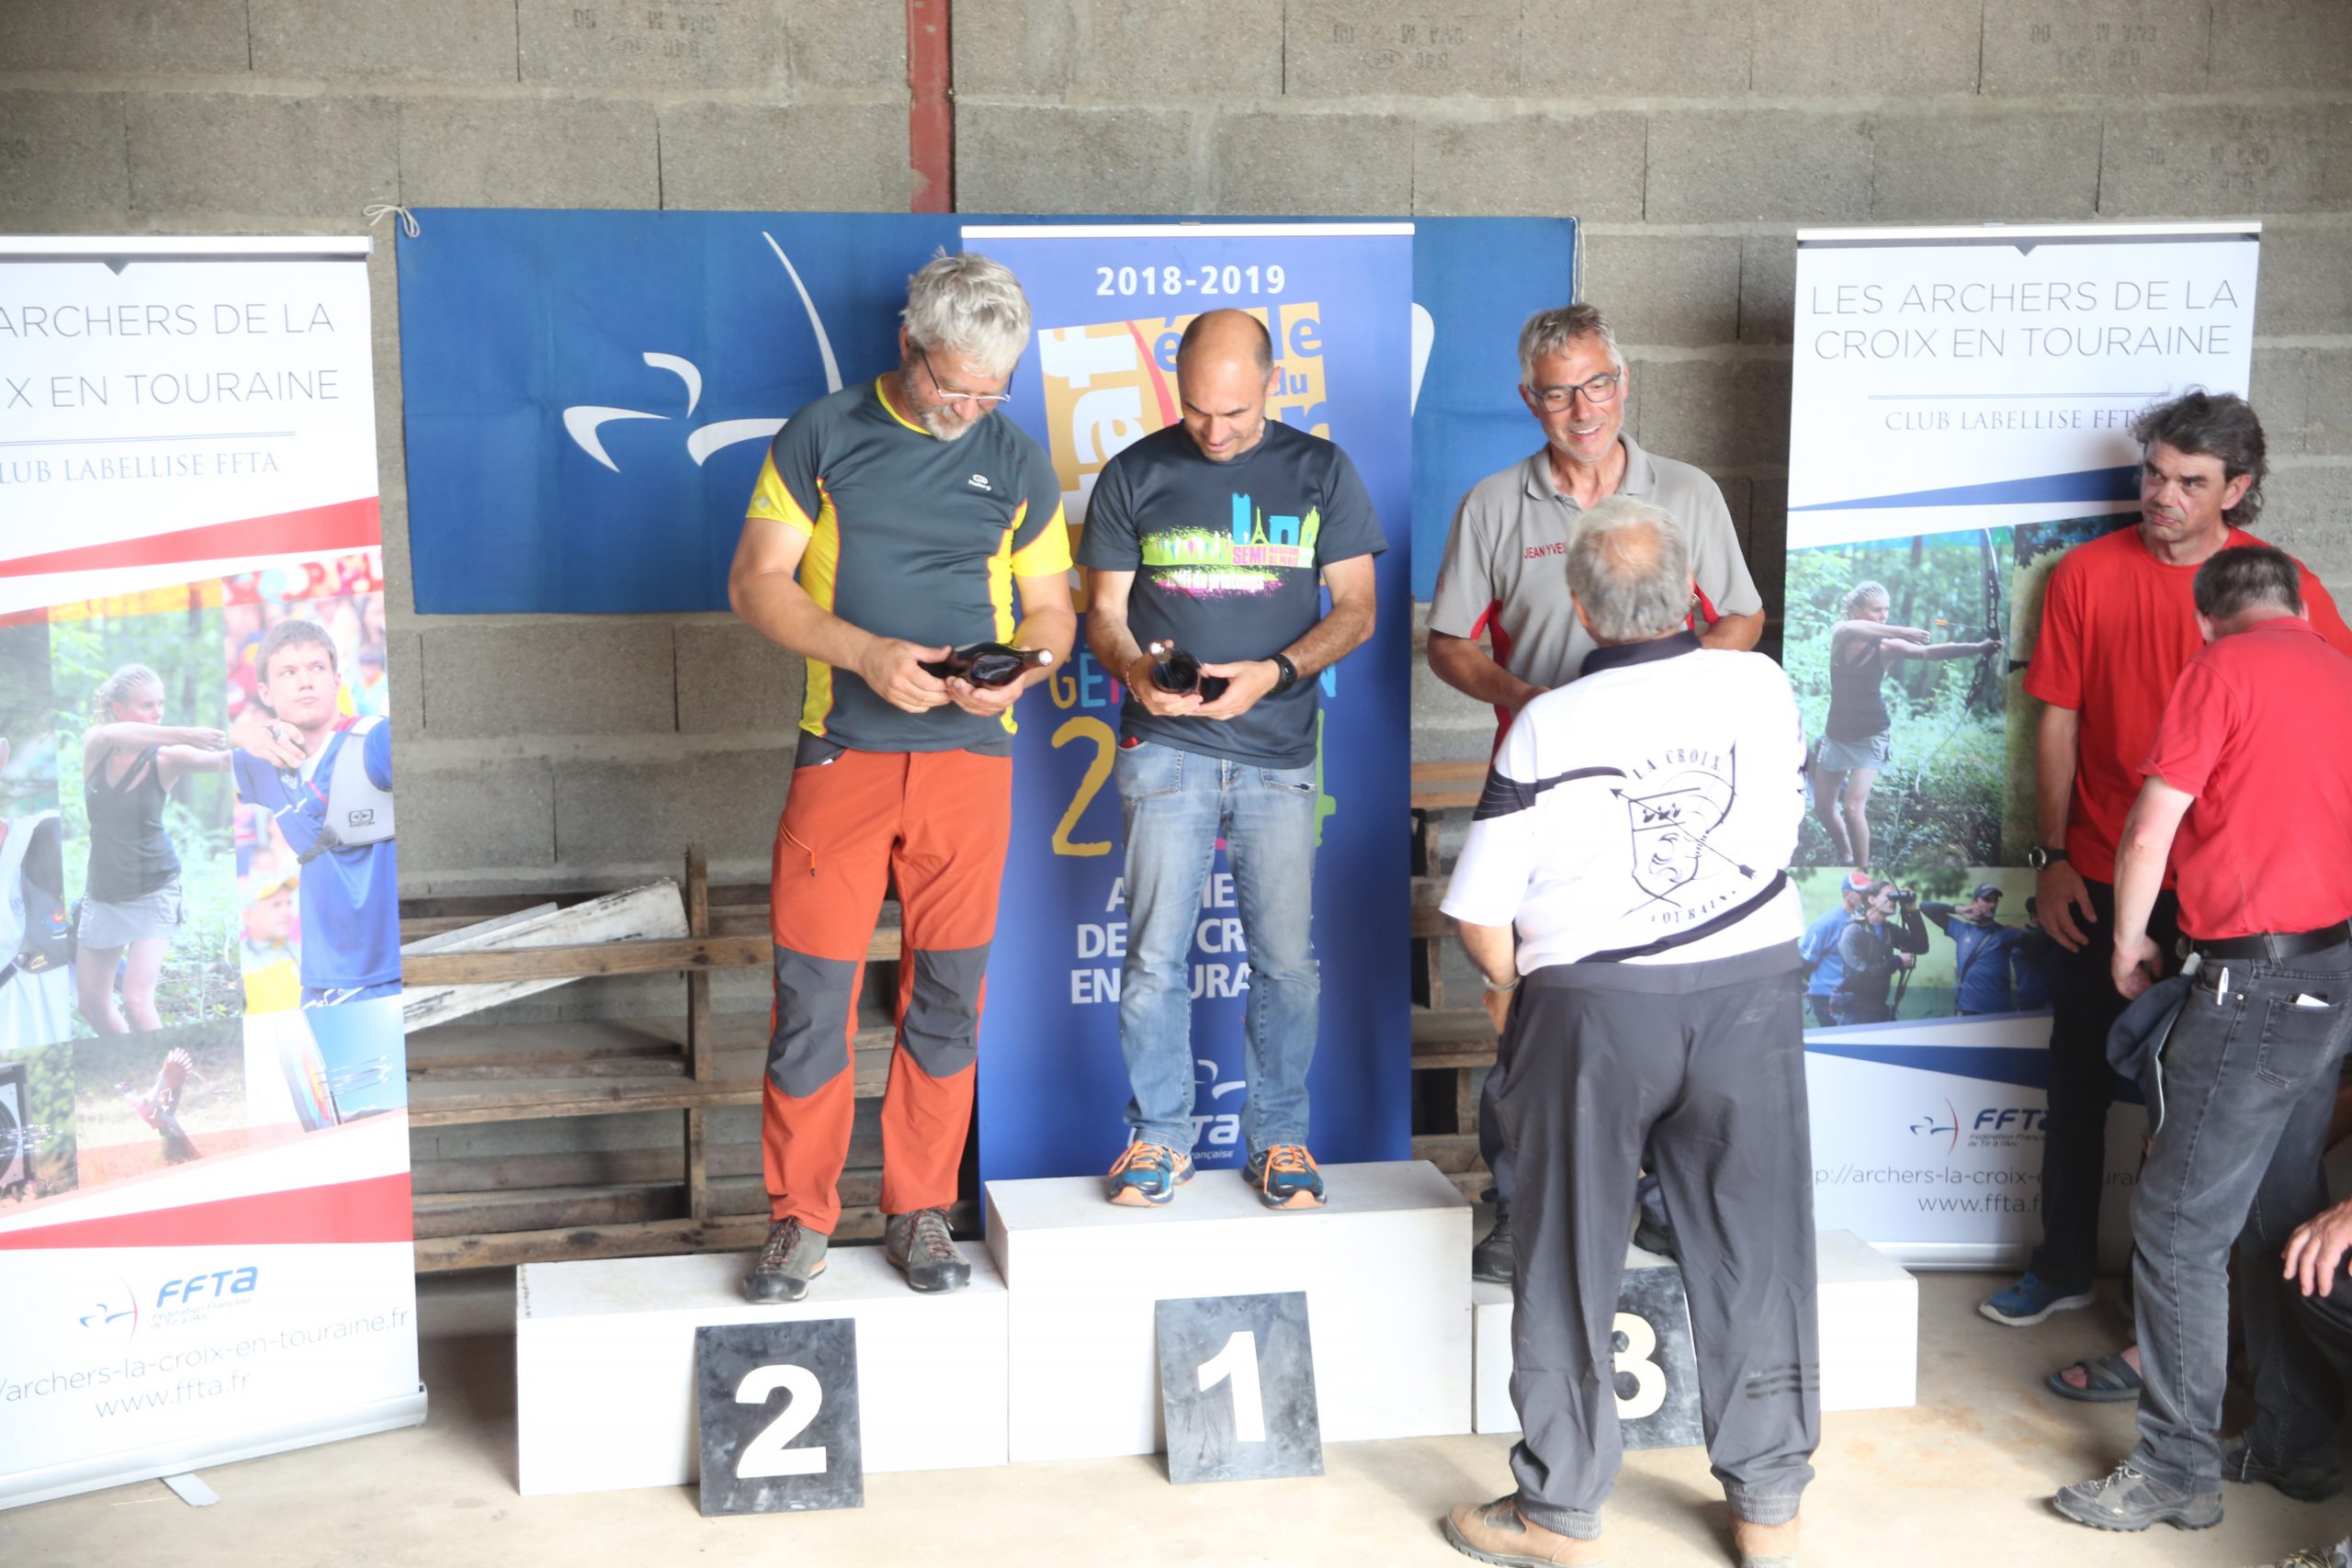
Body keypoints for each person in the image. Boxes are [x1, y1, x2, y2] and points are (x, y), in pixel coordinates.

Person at [1441, 498, 1816, 1568]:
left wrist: (1506, 988)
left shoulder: (1547, 724)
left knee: (1567, 1251)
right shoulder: (1759, 682)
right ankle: (1769, 1511)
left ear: (1578, 606)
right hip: (1750, 994)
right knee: (1757, 1248)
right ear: (1693, 592)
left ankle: (1557, 1513)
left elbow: (1479, 914)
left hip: (1595, 1015)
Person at [728, 252, 1076, 1303]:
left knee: (949, 997)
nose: (968, 410)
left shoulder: (1016, 460)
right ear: (907, 347)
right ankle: (798, 1220)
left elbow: (1051, 611)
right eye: (952, 387)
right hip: (843, 755)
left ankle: (920, 1208)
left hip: (971, 765)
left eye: (990, 394)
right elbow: (756, 582)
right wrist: (866, 655)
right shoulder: (822, 434)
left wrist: (1020, 671)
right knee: (812, 999)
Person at [1984, 390, 2352, 1333]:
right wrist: (2054, 856)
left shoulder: (2282, 587)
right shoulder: (2084, 574)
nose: (2163, 494)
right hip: (2107, 870)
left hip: (2234, 901)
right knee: (2076, 1077)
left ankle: (2175, 1326)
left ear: (2237, 488)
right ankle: (2062, 1267)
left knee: (2197, 1111)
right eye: (2153, 472)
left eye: (2190, 481)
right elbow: (2058, 720)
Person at [1424, 301, 1768, 1281]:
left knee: (1667, 992)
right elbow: (1449, 644)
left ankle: (1661, 1203)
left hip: (1667, 790)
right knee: (1534, 1002)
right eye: (1559, 392)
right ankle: (1522, 1203)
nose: (1583, 409)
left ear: (1625, 383)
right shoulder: (1494, 504)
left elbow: (1741, 618)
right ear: (1527, 399)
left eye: (1599, 384)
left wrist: (1659, 700)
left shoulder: (1688, 492)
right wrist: (1528, 700)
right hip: (1544, 793)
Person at [2052, 545, 2352, 1531]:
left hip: (2251, 982)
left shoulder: (2218, 668)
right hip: (2331, 974)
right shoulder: (2341, 671)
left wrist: (2128, 941)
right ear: (2298, 604)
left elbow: (2150, 829)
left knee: (2177, 1226)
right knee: (2275, 1211)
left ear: (2206, 616)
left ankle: (2174, 1469)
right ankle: (2297, 1444)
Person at [1077, 309, 1383, 1210]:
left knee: (1285, 962)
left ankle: (1279, 1137)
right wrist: (1135, 669)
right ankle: (1159, 1139)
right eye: (1197, 411)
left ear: (1271, 385)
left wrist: (1273, 673)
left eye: (1236, 414)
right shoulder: (1134, 472)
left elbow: (1357, 608)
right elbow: (1103, 613)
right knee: (1152, 961)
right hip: (1164, 747)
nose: (1214, 432)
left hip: (1279, 752)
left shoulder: (1322, 469)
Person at [229, 620, 399, 1009]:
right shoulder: (264, 759)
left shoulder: (374, 739)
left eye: (317, 668)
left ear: (337, 680)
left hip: (386, 972)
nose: (305, 682)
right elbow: (157, 754)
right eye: (289, 672)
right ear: (265, 692)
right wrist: (236, 732)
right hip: (321, 980)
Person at [76, 665, 232, 1034]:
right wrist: (187, 733)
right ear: (117, 708)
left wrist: (260, 743)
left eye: (160, 704)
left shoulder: (166, 758)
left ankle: (164, 1062)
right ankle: (130, 1054)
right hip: (104, 891)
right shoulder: (97, 744)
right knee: (92, 1005)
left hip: (154, 888)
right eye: (147, 705)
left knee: (136, 1000)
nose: (158, 713)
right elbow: (114, 734)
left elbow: (224, 762)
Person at [1810, 582, 1998, 872]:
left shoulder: (1887, 647)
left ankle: (1862, 871)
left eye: (1886, 609)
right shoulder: (1841, 634)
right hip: (1836, 735)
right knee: (1824, 808)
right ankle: (1845, 854)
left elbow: (1932, 652)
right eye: (1877, 610)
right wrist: (1903, 630)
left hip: (1872, 735)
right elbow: (1850, 628)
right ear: (1857, 610)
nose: (1884, 615)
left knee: (1852, 807)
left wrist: (1979, 647)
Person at [1920, 884, 2029, 1016]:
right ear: (1974, 903)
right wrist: (1959, 909)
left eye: (1995, 901)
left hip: (1999, 1013)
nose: (1992, 905)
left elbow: (2039, 940)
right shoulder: (1962, 929)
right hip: (1967, 1010)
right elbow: (1924, 907)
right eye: (1987, 900)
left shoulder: (2005, 933)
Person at [1832, 881, 1928, 1025]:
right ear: (1872, 900)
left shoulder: (1887, 929)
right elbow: (1861, 976)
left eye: (1895, 897)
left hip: (1878, 1005)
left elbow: (1920, 947)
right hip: (1853, 1007)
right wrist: (1897, 961)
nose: (1894, 901)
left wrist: (1912, 911)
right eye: (1889, 896)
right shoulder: (1853, 931)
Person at [1799, 873, 1871, 1027]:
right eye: (1862, 893)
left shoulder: (1869, 922)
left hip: (1860, 996)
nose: (1868, 898)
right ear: (1846, 894)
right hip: (1828, 997)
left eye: (1870, 893)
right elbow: (1805, 962)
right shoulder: (1827, 923)